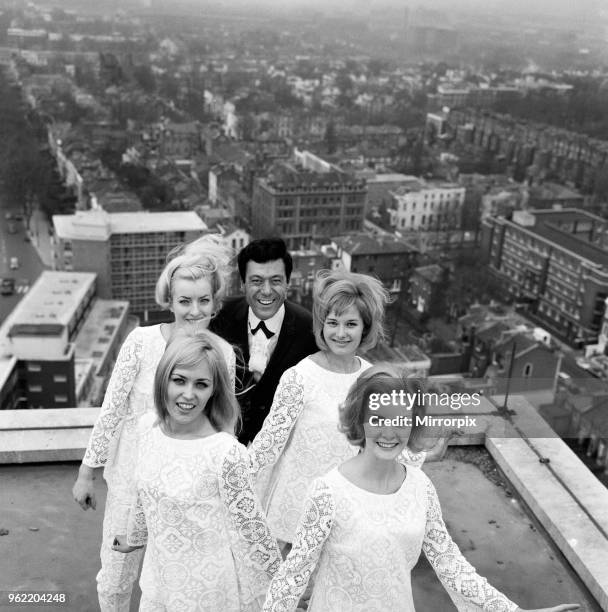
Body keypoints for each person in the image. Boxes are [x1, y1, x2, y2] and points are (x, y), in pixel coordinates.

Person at [262, 365, 580, 612]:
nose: (389, 432)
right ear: (359, 420)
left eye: (401, 420)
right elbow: (292, 578)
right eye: (378, 418)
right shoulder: (328, 492)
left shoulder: (419, 486)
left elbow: (451, 565)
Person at [72, 234, 237, 612]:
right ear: (170, 300)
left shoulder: (222, 353)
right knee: (115, 579)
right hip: (131, 481)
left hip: (185, 491)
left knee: (168, 588)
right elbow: (111, 409)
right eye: (184, 301)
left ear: (215, 302)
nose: (194, 311)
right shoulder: (140, 342)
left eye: (203, 301)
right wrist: (87, 472)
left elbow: (223, 425)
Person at [112, 330, 281, 611]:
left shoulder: (225, 453)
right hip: (157, 581)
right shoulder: (148, 429)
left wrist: (285, 584)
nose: (188, 394)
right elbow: (144, 492)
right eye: (179, 380)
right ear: (163, 379)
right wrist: (135, 537)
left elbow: (252, 531)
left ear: (213, 390)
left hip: (206, 592)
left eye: (201, 384)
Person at [248, 269, 390, 549]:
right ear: (321, 325)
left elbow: (383, 442)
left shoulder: (374, 380)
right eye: (333, 322)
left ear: (365, 327)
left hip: (345, 507)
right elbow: (268, 446)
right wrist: (234, 484)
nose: (340, 333)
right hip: (294, 512)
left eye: (351, 324)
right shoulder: (299, 377)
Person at [210, 238, 317, 445]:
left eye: (276, 281)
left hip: (282, 450)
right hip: (224, 444)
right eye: (257, 281)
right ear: (243, 284)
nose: (266, 291)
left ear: (287, 282)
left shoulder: (310, 330)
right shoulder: (219, 318)